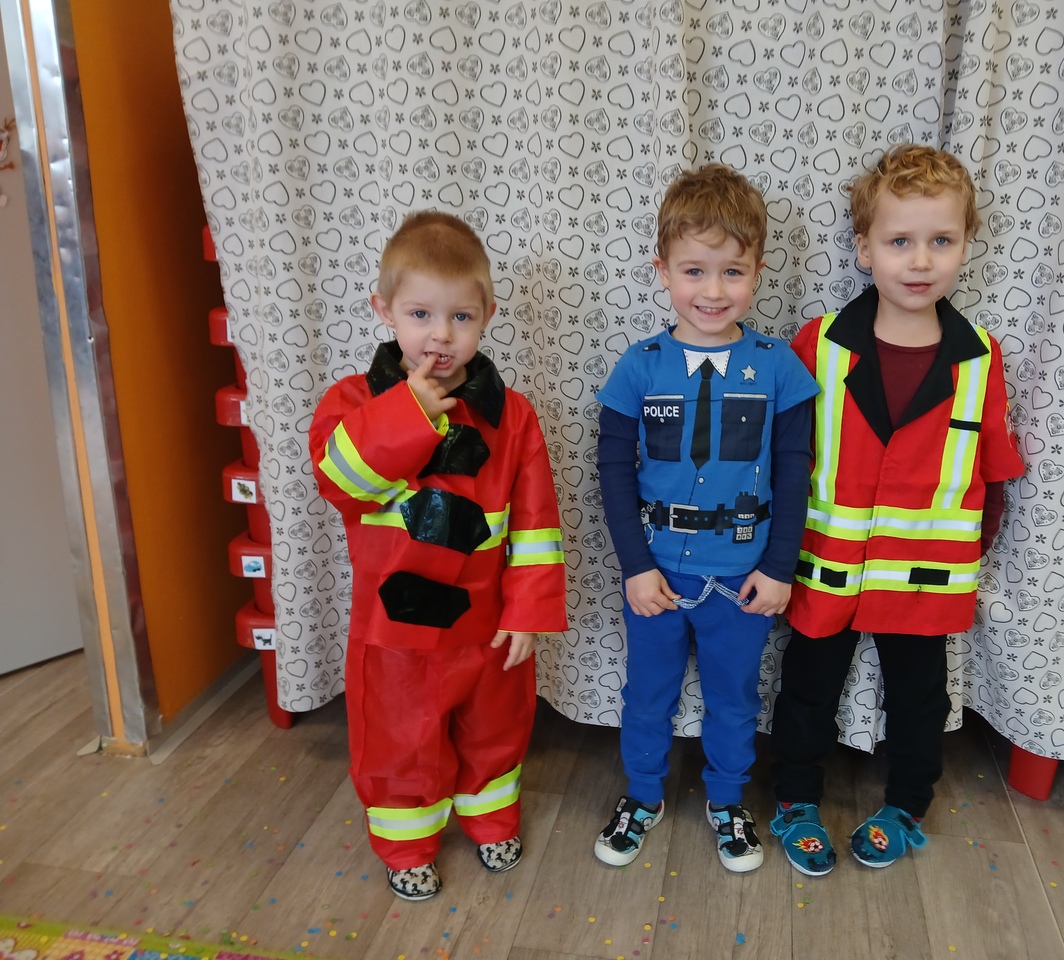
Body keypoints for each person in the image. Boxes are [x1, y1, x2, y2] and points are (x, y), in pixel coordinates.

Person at [769, 144, 1026, 875]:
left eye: (940, 240)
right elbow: (784, 457)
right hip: (826, 568)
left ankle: (907, 806)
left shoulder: (980, 357)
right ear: (864, 249)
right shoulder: (818, 344)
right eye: (899, 241)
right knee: (807, 689)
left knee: (919, 700)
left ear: (966, 246)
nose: (920, 260)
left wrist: (975, 548)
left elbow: (993, 470)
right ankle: (795, 799)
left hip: (926, 578)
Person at [309, 211, 567, 902]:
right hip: (395, 635)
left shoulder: (513, 415)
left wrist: (528, 611)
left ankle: (492, 820)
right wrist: (410, 414)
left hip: (488, 625)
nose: (440, 335)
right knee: (400, 740)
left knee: (496, 730)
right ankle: (407, 844)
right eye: (420, 314)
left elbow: (536, 523)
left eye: (460, 317)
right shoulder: (352, 402)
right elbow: (341, 483)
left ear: (486, 316)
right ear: (384, 309)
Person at [592, 164, 818, 873]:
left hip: (744, 579)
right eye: (694, 270)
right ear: (662, 271)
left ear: (758, 272)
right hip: (657, 576)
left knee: (734, 697)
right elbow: (611, 471)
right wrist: (635, 566)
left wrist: (780, 567)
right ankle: (643, 795)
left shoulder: (778, 368)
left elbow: (794, 473)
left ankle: (727, 800)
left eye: (732, 272)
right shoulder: (639, 366)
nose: (713, 291)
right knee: (647, 695)